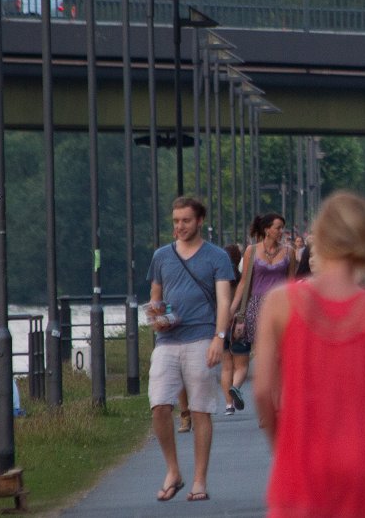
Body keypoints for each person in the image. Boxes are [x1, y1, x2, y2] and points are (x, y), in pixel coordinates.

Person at [253, 191, 365, 518]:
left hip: (299, 460)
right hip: (363, 463)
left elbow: (261, 391)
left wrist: (280, 443)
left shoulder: (280, 302)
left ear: (320, 236)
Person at [146, 196, 235, 502]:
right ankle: (173, 470)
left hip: (201, 337)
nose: (179, 226)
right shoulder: (161, 256)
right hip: (167, 340)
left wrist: (218, 338)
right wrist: (156, 317)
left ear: (200, 221)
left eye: (185, 220)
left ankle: (199, 479)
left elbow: (224, 301)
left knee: (200, 410)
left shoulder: (217, 257)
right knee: (159, 405)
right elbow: (156, 295)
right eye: (175, 221)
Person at [226, 213, 297, 416]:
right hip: (257, 307)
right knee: (266, 356)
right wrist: (233, 310)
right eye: (278, 227)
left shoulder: (289, 252)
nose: (281, 231)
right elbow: (244, 282)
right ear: (267, 229)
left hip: (282, 306)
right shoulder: (252, 251)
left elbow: (291, 283)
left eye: (283, 227)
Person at [219, 244, 243, 416]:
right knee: (241, 365)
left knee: (226, 367)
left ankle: (228, 405)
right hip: (239, 325)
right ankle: (236, 388)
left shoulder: (219, 280)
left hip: (221, 325)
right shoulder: (241, 280)